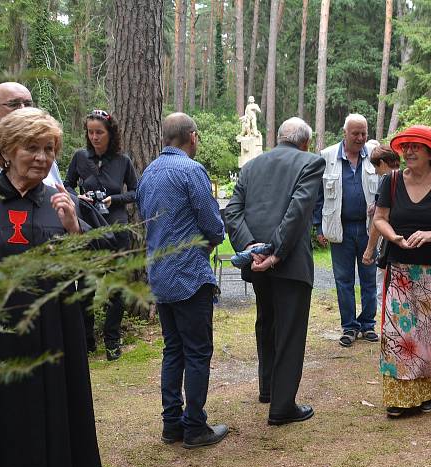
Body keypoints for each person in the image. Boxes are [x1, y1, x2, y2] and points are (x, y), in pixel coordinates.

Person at [0, 107, 101, 467]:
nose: (42, 158)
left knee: (53, 423)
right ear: (6, 150)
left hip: (53, 337)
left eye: (49, 149)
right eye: (32, 148)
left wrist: (74, 229)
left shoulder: (61, 202)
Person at [137, 112, 229, 449]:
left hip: (160, 275)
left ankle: (171, 425)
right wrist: (214, 236)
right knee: (197, 351)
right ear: (191, 136)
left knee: (173, 349)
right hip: (190, 276)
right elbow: (213, 225)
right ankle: (194, 427)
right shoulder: (191, 171)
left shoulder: (148, 173)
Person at [225, 117, 324, 425]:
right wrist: (274, 253)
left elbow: (232, 211)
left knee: (266, 323)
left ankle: (268, 388)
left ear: (279, 138)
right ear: (305, 142)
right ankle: (282, 406)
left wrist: (253, 247)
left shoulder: (252, 166)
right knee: (290, 330)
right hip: (289, 262)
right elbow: (297, 211)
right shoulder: (311, 162)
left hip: (259, 264)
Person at [371, 126, 431, 417]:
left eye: (417, 146)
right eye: (407, 146)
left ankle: (426, 393)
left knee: (428, 336)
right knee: (397, 334)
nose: (410, 151)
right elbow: (380, 218)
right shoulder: (390, 182)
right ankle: (400, 397)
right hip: (400, 269)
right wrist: (391, 236)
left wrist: (429, 234)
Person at [66, 109, 138, 360]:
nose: (94, 137)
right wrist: (77, 197)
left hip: (116, 231)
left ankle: (112, 340)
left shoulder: (123, 161)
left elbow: (136, 192)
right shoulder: (79, 158)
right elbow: (66, 185)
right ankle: (86, 340)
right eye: (90, 132)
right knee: (85, 286)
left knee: (116, 288)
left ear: (110, 133)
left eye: (99, 132)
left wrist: (113, 198)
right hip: (88, 230)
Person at [313, 113, 382, 347]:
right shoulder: (327, 156)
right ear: (345, 133)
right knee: (343, 280)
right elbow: (317, 195)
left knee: (369, 278)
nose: (360, 138)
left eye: (364, 133)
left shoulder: (374, 156)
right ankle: (349, 326)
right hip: (339, 227)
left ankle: (368, 324)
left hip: (369, 229)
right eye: (356, 133)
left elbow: (385, 185)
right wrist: (318, 226)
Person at [0, 81, 62, 187]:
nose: (23, 110)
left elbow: (57, 190)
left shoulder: (44, 154)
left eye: (28, 104)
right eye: (14, 104)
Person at [362, 144, 401, 266]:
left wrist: (369, 250)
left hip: (389, 243)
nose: (375, 171)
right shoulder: (407, 179)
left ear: (382, 163)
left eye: (375, 166)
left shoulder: (386, 180)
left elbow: (379, 219)